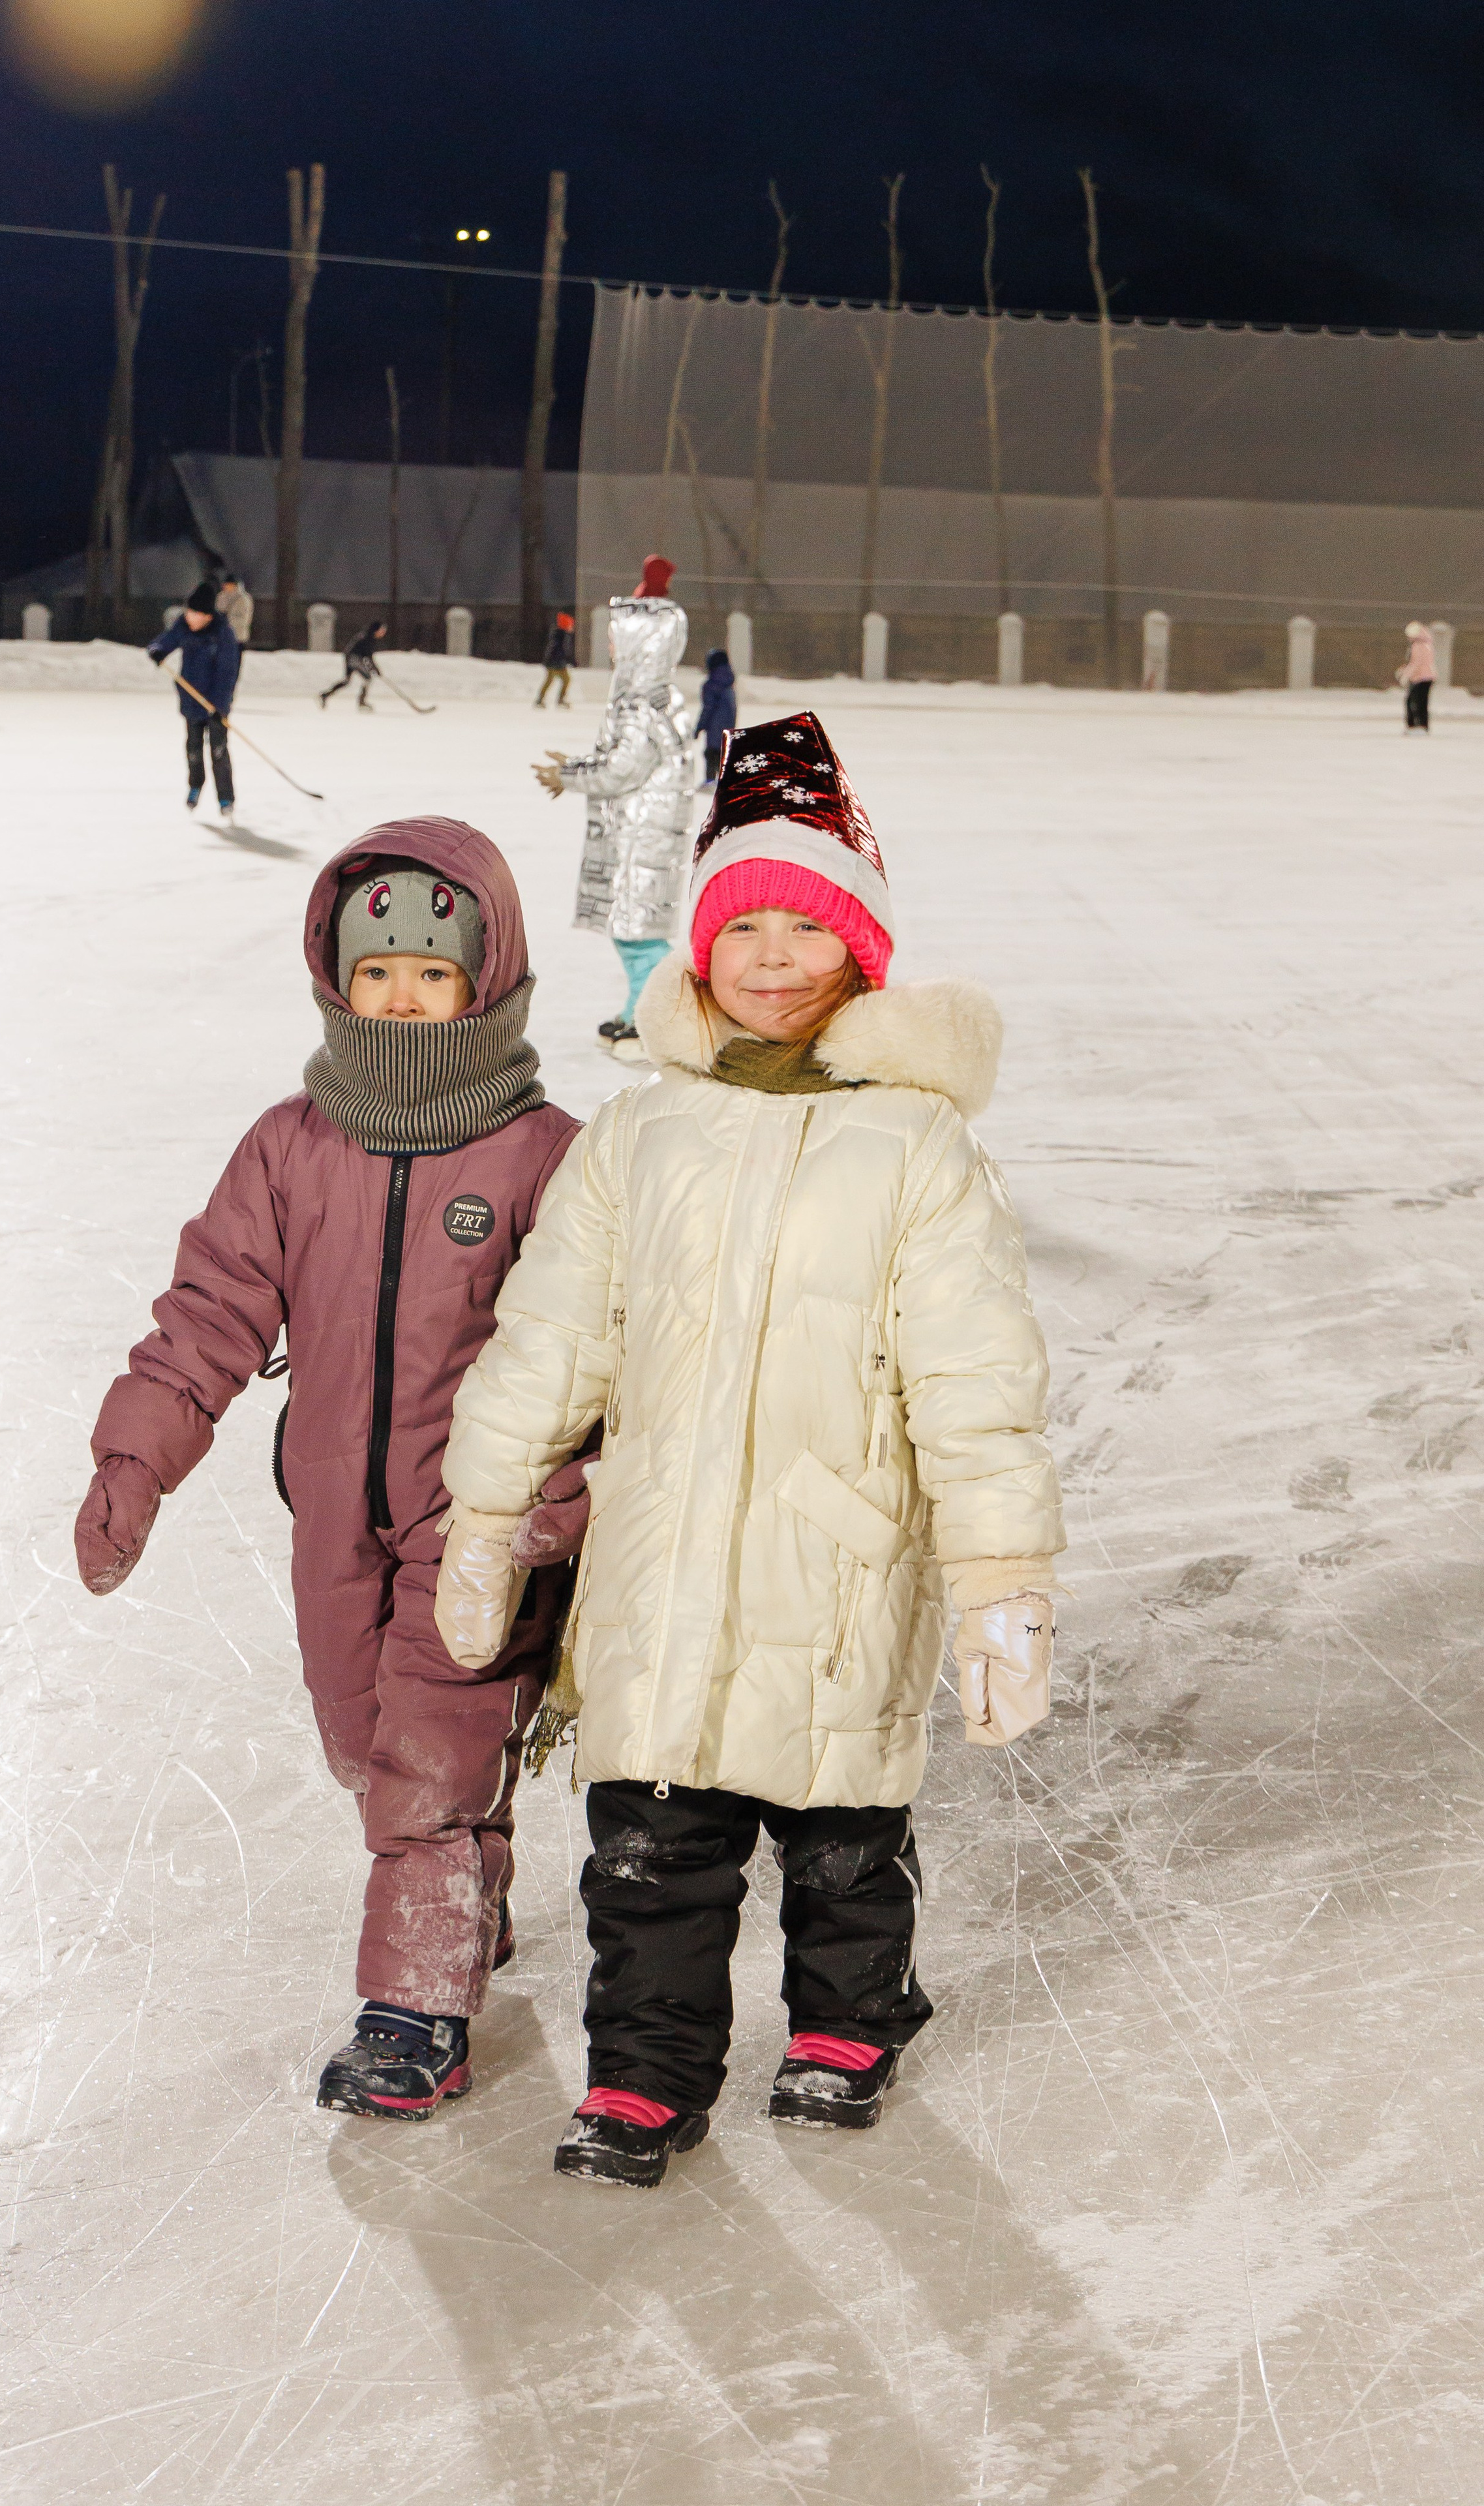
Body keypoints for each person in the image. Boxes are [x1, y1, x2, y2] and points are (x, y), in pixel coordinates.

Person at [439, 711, 1065, 2189]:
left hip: (840, 1558)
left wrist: (999, 1574)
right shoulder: (639, 1137)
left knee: (842, 1831)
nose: (772, 957)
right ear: (697, 950)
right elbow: (552, 1332)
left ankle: (851, 2012)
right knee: (647, 1847)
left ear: (860, 952)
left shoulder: (917, 1148)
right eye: (743, 926)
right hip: (656, 1568)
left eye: (807, 927)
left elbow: (974, 1375)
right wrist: (483, 1506)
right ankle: (645, 2073)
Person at [74, 821, 583, 2118]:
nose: (402, 997)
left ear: (488, 975)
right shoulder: (289, 1147)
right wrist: (138, 1458)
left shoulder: (542, 1154)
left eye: (430, 971)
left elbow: (599, 1350)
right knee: (368, 1744)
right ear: (334, 980)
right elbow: (208, 1313)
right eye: (376, 973)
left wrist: (557, 1508)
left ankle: (416, 2009)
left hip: (480, 1523)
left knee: (426, 1752)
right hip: (332, 1523)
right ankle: (461, 1897)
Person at [533, 586, 695, 1059]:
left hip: (639, 837)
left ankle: (659, 1017)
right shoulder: (655, 696)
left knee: (637, 934)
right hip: (644, 832)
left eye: (615, 638)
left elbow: (623, 768)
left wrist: (568, 774)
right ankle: (638, 1011)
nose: (609, 647)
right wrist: (581, 763)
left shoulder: (640, 702)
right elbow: (624, 758)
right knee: (635, 930)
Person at [147, 583, 241, 818]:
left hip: (215, 704)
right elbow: (165, 640)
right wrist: (157, 651)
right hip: (191, 699)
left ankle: (225, 798)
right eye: (189, 612)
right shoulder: (184, 626)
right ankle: (195, 786)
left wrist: (220, 707)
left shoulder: (223, 634)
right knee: (193, 748)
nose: (190, 617)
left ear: (208, 616)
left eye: (195, 614)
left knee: (219, 751)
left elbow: (227, 675)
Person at [319, 620, 388, 709]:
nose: (383, 633)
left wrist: (374, 669)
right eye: (382, 630)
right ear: (376, 630)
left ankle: (325, 695)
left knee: (346, 681)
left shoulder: (367, 636)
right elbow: (367, 657)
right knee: (367, 678)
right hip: (354, 659)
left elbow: (366, 657)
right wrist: (375, 669)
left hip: (350, 657)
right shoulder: (368, 638)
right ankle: (362, 702)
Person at [695, 646, 736, 785]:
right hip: (728, 728)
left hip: (714, 728)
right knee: (723, 756)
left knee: (711, 754)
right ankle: (723, 782)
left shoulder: (711, 685)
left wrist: (699, 727)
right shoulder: (729, 683)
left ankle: (710, 781)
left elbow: (708, 708)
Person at [1397, 621, 1436, 731]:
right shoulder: (1427, 644)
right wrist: (1405, 670)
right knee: (1422, 702)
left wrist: (1405, 675)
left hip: (1420, 678)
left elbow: (1416, 663)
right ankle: (1423, 725)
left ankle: (1415, 726)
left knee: (1413, 701)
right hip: (1427, 677)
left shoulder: (1418, 645)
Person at [535, 612, 575, 709]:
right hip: (556, 663)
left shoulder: (560, 634)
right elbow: (560, 651)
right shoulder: (562, 636)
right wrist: (565, 660)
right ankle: (558, 700)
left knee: (551, 680)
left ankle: (541, 699)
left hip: (554, 662)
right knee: (564, 680)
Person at [217, 573, 254, 645]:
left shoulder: (244, 599)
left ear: (235, 585)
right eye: (225, 584)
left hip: (238, 635)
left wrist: (227, 621)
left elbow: (245, 618)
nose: (225, 586)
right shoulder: (221, 596)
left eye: (228, 585)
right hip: (222, 635)